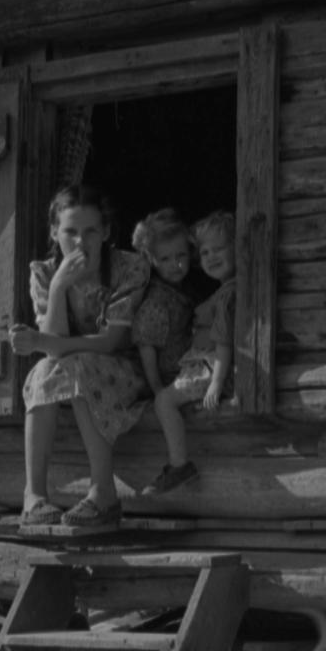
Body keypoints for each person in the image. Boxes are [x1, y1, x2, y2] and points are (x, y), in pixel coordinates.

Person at [7, 185, 150, 531]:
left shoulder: (130, 268)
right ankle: (35, 496)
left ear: (105, 233)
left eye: (90, 231)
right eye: (70, 231)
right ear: (55, 232)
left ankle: (103, 493)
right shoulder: (44, 273)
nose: (80, 241)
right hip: (69, 369)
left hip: (124, 371)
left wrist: (44, 341)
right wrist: (58, 287)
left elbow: (112, 341)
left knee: (76, 364)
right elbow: (53, 348)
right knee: (42, 371)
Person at [141, 209, 237, 494]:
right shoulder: (218, 292)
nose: (211, 257)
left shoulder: (228, 295)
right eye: (205, 252)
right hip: (203, 366)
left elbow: (224, 342)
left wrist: (217, 383)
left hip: (211, 368)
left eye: (219, 249)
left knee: (164, 403)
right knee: (165, 398)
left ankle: (179, 465)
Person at [130, 209, 200, 494]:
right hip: (169, 373)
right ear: (151, 260)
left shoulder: (183, 290)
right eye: (166, 259)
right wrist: (158, 387)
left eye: (181, 256)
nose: (176, 265)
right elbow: (147, 347)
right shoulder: (157, 301)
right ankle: (178, 465)